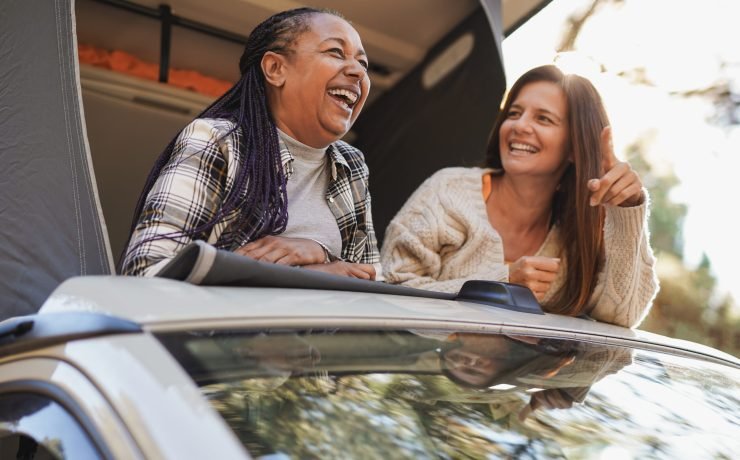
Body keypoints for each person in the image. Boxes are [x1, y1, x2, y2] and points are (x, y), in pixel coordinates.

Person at [381, 65, 658, 328]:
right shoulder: (446, 192)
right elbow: (393, 287)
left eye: (543, 118)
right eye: (514, 113)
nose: (519, 125)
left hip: (519, 378)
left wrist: (626, 213)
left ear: (575, 148)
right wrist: (500, 285)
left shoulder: (580, 233)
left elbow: (621, 316)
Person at [121, 8, 379, 279]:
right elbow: (146, 271)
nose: (357, 72)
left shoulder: (352, 165)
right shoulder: (217, 141)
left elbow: (373, 275)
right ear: (275, 69)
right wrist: (301, 277)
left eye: (363, 64)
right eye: (335, 53)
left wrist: (321, 253)